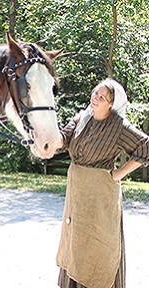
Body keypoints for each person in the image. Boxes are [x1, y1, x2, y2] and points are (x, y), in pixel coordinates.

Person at [55, 78, 149, 288]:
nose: (95, 98)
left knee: (98, 242)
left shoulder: (118, 127)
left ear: (111, 103)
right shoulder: (82, 117)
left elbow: (146, 146)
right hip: (77, 190)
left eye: (101, 97)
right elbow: (64, 138)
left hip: (100, 193)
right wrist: (49, 139)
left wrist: (120, 173)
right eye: (95, 93)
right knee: (75, 240)